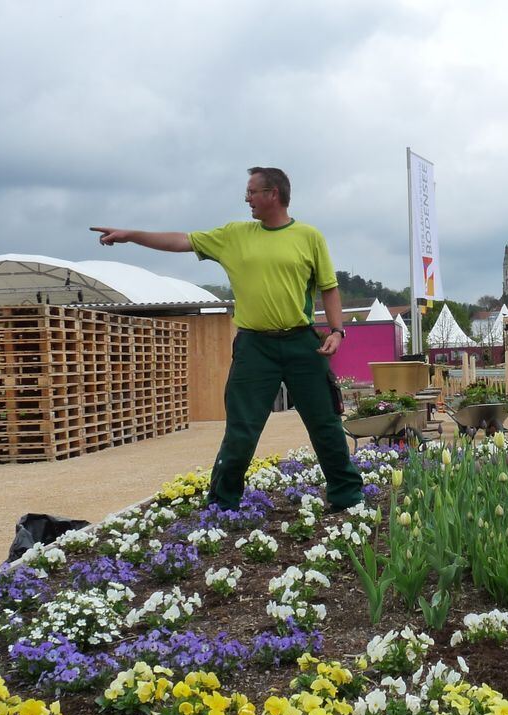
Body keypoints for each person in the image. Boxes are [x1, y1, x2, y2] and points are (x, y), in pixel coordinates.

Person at [91, 167, 364, 511]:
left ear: (274, 194)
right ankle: (222, 504)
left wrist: (337, 331)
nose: (246, 198)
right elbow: (182, 240)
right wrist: (132, 235)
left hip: (302, 342)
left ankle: (347, 496)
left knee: (325, 423)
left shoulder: (309, 237)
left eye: (252, 192)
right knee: (242, 429)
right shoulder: (234, 235)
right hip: (254, 347)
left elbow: (329, 287)